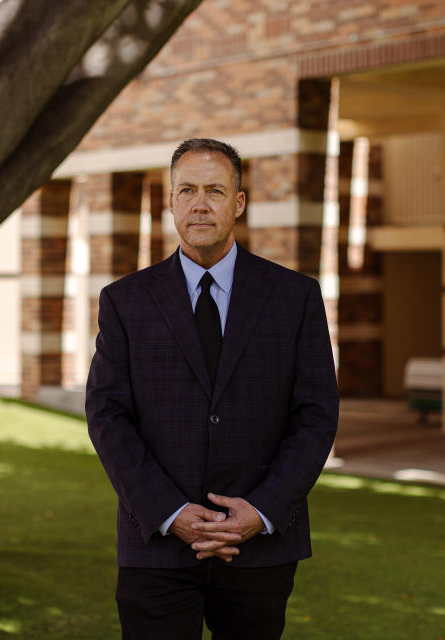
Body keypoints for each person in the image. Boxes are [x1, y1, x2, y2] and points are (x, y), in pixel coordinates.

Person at [85, 137, 339, 639]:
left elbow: (315, 415)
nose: (200, 203)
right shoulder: (125, 301)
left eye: (216, 191)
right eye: (188, 190)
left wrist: (262, 510)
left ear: (239, 203)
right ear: (172, 201)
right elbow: (108, 415)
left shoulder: (295, 297)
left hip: (259, 544)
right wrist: (171, 512)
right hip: (155, 541)